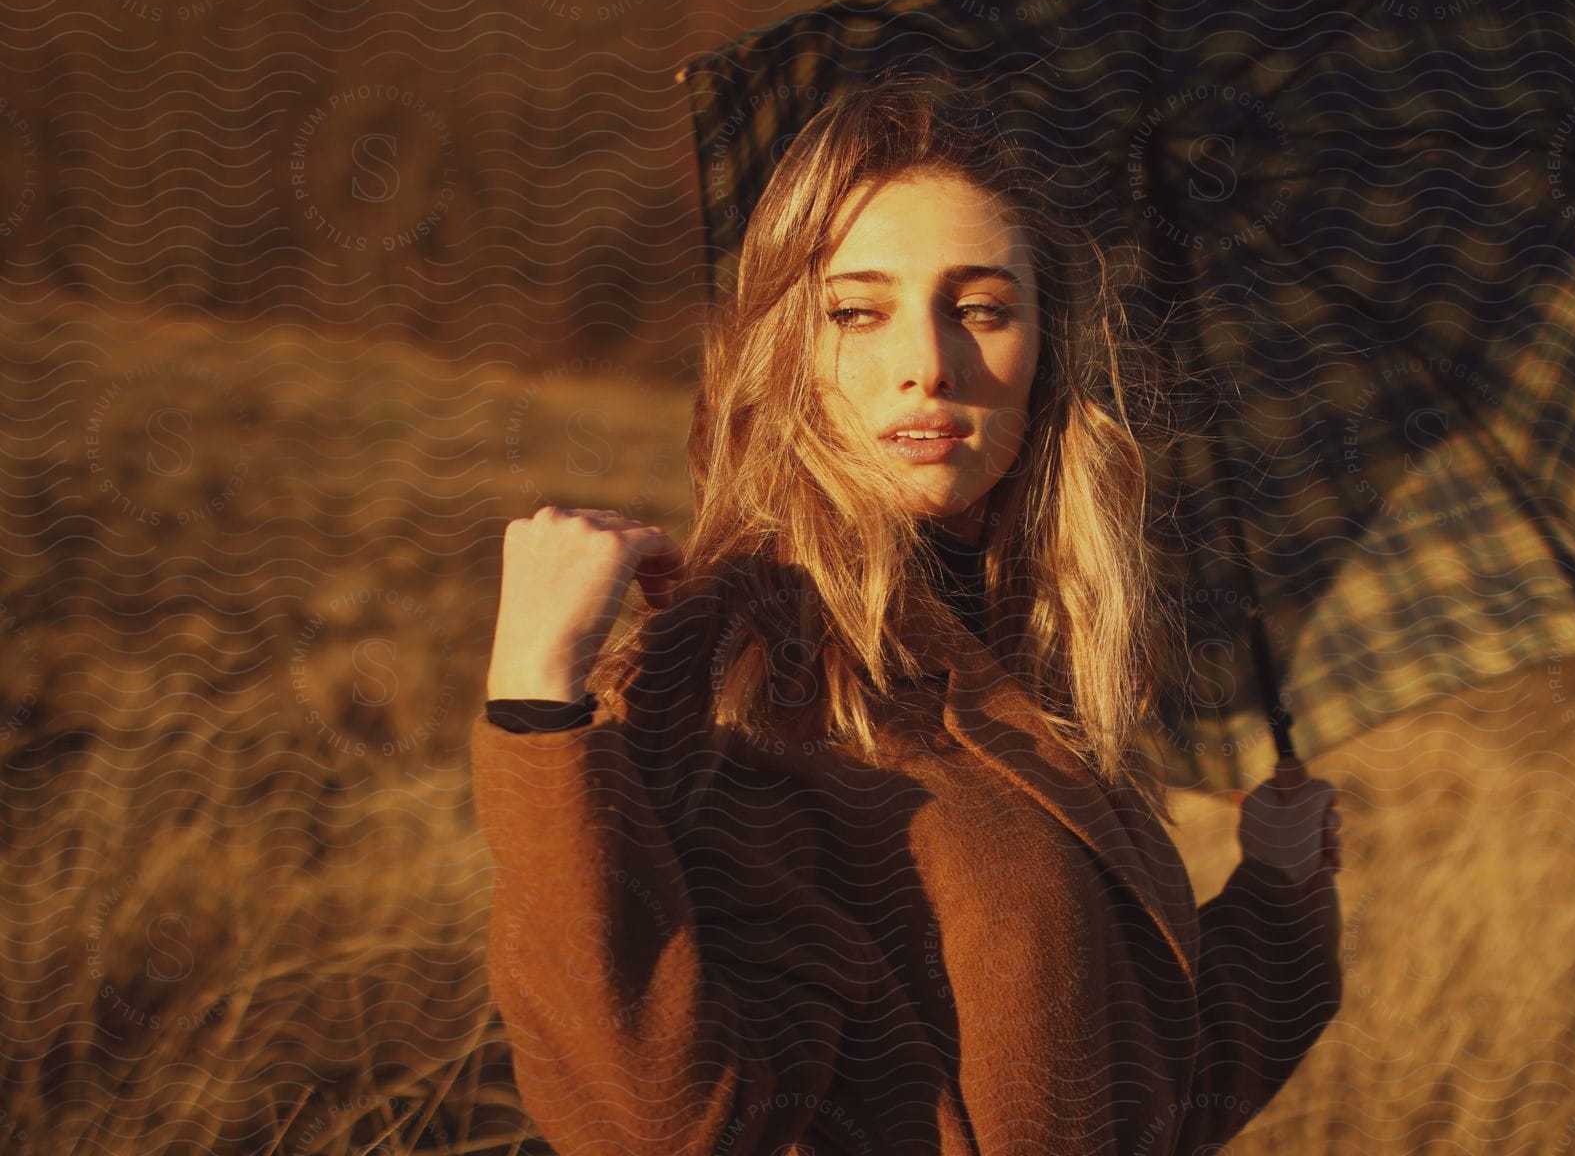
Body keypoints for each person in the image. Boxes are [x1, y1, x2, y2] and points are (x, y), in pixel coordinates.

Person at [471, 74, 1343, 1155]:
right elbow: (657, 1124)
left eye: (981, 307)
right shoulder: (736, 673)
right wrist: (535, 705)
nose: (928, 366)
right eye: (857, 311)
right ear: (787, 350)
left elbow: (1157, 1099)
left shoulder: (1029, 670)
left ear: (1046, 345)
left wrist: (1281, 888)